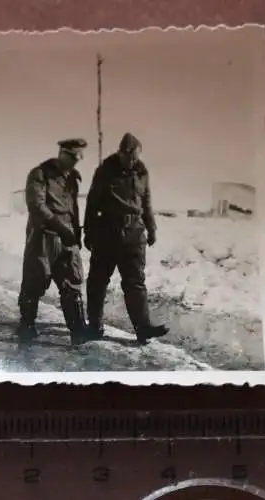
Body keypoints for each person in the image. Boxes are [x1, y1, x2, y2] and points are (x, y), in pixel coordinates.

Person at [83, 132, 169, 345]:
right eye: (128, 156)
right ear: (120, 152)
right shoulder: (105, 170)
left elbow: (146, 202)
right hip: (107, 233)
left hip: (133, 234)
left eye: (135, 156)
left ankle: (143, 328)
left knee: (135, 283)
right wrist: (89, 233)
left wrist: (152, 228)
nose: (131, 160)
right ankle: (94, 325)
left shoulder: (142, 172)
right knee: (98, 282)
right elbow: (92, 203)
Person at [17, 138, 89, 345]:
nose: (75, 163)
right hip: (44, 236)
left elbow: (73, 208)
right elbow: (36, 205)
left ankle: (77, 330)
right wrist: (60, 227)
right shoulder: (40, 174)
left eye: (78, 159)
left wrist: (76, 234)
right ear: (62, 153)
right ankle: (27, 324)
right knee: (36, 280)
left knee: (72, 281)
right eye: (73, 158)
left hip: (67, 237)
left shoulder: (73, 178)